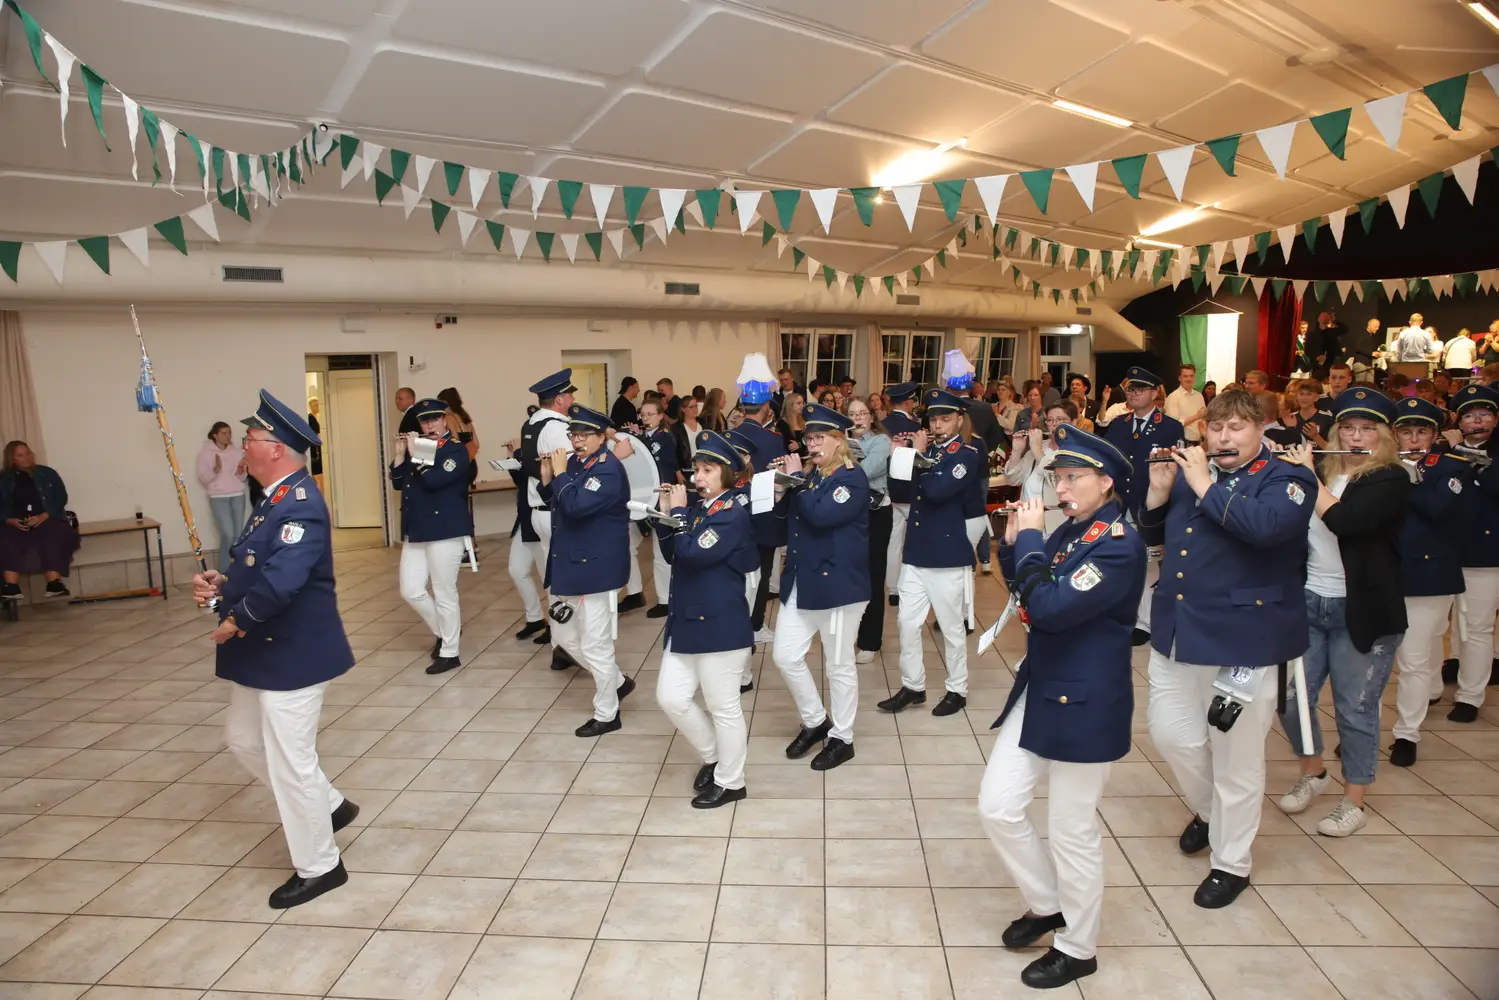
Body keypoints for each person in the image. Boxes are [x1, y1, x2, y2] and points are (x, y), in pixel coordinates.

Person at [1137, 388, 1318, 908]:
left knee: (1237, 758)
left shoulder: (1288, 478)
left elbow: (1265, 529)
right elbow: (1154, 541)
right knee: (1172, 735)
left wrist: (1201, 484)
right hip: (1179, 629)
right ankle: (1210, 812)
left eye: (1236, 427)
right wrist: (1158, 494)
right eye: (1215, 428)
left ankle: (1231, 862)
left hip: (1246, 639)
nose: (1223, 437)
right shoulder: (1192, 474)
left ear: (1261, 430)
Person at [981, 427, 1144, 990]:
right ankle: (1048, 902)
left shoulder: (1118, 545)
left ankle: (1079, 948)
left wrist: (1031, 538)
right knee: (998, 806)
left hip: (1086, 700)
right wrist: (1013, 542)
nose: (1062, 488)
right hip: (1044, 686)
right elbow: (1026, 593)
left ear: (1107, 482)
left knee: (1072, 829)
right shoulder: (1075, 531)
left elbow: (1049, 607)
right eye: (1059, 477)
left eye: (1074, 477)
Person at [191, 389, 358, 909]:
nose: (243, 446)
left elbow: (282, 583)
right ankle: (329, 805)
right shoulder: (273, 499)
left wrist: (234, 619)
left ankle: (321, 865)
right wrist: (221, 586)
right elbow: (255, 567)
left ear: (276, 449)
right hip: (264, 647)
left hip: (293, 652)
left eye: (250, 439)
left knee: (291, 763)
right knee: (243, 739)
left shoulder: (300, 505)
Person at [1276, 392, 1409, 836]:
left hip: (1363, 610)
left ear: (1384, 437)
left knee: (1355, 709)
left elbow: (1347, 522)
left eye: (1367, 429)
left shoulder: (1391, 478)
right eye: (1348, 428)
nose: (1355, 437)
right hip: (1310, 602)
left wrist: (1307, 477)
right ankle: (1314, 772)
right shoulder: (1325, 473)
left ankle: (1354, 801)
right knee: (1291, 699)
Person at [656, 430, 759, 808]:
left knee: (723, 707)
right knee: (670, 697)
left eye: (707, 471)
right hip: (687, 620)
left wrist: (678, 515)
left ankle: (732, 782)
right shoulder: (701, 509)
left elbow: (694, 554)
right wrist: (665, 513)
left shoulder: (731, 514)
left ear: (727, 474)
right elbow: (673, 553)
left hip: (720, 624)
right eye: (696, 470)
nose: (698, 477)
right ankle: (714, 756)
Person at [772, 402, 870, 771]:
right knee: (785, 655)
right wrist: (781, 490)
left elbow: (821, 515)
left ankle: (843, 738)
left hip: (838, 586)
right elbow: (784, 523)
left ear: (838, 440)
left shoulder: (851, 478)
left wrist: (796, 482)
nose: (811, 445)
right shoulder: (813, 477)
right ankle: (816, 720)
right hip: (803, 579)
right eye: (808, 439)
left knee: (839, 665)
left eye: (819, 439)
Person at [881, 388, 987, 718]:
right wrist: (898, 456)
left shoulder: (966, 454)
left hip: (946, 553)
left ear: (959, 420)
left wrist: (916, 458)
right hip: (916, 552)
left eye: (945, 419)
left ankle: (957, 689)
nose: (938, 425)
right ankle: (913, 685)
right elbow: (898, 490)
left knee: (952, 628)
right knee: (906, 624)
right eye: (933, 419)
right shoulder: (925, 452)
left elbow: (937, 490)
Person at [539, 403, 637, 735]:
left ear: (601, 438)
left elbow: (576, 506)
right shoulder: (577, 463)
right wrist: (548, 477)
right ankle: (618, 682)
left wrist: (560, 475)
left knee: (596, 645)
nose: (576, 441)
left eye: (584, 435)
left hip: (597, 568)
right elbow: (558, 500)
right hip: (572, 563)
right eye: (573, 435)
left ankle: (608, 714)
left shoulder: (608, 469)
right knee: (565, 637)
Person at [1388, 397, 1466, 766]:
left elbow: (1436, 508)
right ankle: (1363, 731)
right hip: (1384, 573)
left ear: (1435, 435)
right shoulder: (1381, 467)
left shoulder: (1451, 467)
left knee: (1415, 659)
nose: (1415, 439)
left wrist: (1407, 475)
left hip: (1428, 576)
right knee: (1374, 661)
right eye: (1407, 432)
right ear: (1395, 435)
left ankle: (1407, 734)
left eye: (1423, 432)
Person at [391, 397, 474, 675]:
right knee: (410, 590)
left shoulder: (455, 449)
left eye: (434, 420)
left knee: (444, 592)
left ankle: (450, 652)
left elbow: (433, 480)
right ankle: (445, 630)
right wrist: (400, 454)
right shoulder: (421, 447)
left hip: (445, 529)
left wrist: (416, 452)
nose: (429, 425)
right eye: (424, 422)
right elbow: (399, 483)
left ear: (443, 420)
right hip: (417, 529)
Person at [1102, 367, 1184, 645]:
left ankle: (1144, 622)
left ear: (1154, 393)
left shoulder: (1170, 426)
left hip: (1149, 504)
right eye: (1130, 389)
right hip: (1118, 502)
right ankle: (1120, 614)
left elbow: (1175, 469)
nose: (1133, 394)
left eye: (1139, 389)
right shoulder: (1119, 424)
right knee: (1118, 560)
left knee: (1149, 563)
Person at [1447, 384, 1499, 722]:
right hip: (1442, 552)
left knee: (1477, 626)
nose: (1477, 422)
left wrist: (1463, 454)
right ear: (1458, 420)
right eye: (1469, 416)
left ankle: (1470, 696)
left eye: (1484, 414)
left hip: (1484, 552)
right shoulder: (1442, 450)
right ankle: (1440, 678)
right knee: (1444, 625)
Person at [732, 354, 789, 645]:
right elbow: (780, 478)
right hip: (764, 515)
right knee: (763, 573)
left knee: (737, 573)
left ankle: (737, 621)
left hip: (735, 515)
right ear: (767, 408)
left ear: (743, 407)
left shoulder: (728, 437)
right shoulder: (773, 439)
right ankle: (755, 626)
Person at [516, 370, 575, 651]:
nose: (573, 400)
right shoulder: (557, 428)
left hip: (537, 509)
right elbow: (570, 468)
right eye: (570, 395)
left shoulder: (531, 424)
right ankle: (563, 644)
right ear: (560, 399)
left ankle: (557, 639)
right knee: (565, 579)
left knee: (552, 576)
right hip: (556, 509)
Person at [0, 441, 78, 599]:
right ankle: (11, 586)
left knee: (52, 534)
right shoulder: (3, 479)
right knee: (7, 537)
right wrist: (10, 520)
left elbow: (61, 498)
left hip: (48, 518)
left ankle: (54, 583)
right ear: (12, 459)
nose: (26, 457)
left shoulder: (47, 473)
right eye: (20, 455)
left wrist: (44, 515)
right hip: (17, 522)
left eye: (28, 453)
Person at [847, 397, 892, 662]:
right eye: (852, 414)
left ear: (871, 417)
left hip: (875, 513)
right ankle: (850, 634)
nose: (857, 418)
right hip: (849, 512)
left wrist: (842, 466)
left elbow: (865, 471)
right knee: (851, 576)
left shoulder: (881, 441)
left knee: (873, 577)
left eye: (862, 413)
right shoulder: (841, 441)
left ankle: (870, 641)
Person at [1003, 400, 1076, 538]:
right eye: (1050, 420)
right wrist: (1017, 451)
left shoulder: (1076, 452)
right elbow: (1012, 480)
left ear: (1074, 422)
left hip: (1056, 530)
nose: (1054, 424)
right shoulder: (1039, 446)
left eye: (1060, 420)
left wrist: (1038, 452)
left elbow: (1056, 482)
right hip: (1026, 526)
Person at [638, 398, 679, 618]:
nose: (645, 418)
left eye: (650, 414)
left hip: (662, 498)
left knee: (662, 550)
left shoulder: (664, 439)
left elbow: (661, 468)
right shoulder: (643, 438)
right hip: (644, 498)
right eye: (643, 414)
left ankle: (666, 599)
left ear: (660, 416)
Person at [882, 383, 920, 607]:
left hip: (889, 490)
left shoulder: (883, 425)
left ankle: (894, 589)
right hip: (911, 490)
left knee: (893, 542)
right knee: (913, 542)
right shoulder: (914, 426)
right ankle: (910, 587)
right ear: (907, 402)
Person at [197, 421, 249, 574]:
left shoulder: (236, 452)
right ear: (215, 435)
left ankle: (237, 569)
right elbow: (203, 478)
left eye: (229, 433)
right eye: (224, 433)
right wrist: (216, 470)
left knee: (238, 535)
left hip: (237, 495)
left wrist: (241, 471)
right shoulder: (206, 453)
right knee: (227, 533)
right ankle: (225, 570)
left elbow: (242, 478)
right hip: (218, 497)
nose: (227, 436)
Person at [438, 387, 480, 486]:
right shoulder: (465, 417)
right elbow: (477, 444)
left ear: (445, 402)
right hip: (472, 465)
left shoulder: (449, 418)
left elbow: (455, 443)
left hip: (459, 466)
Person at [1283, 379, 1332, 446]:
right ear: (1297, 396)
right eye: (1301, 394)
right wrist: (1291, 429)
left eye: (1309, 394)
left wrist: (1315, 436)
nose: (1304, 398)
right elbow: (1284, 445)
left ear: (1316, 397)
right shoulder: (1290, 418)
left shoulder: (1327, 419)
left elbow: (1333, 449)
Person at [1163, 365, 1206, 443]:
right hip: (1182, 443)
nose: (1189, 379)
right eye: (1185, 376)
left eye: (1191, 376)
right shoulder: (1173, 397)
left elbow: (1203, 418)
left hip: (1199, 442)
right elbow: (1173, 425)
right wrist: (1197, 416)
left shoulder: (1199, 395)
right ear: (1179, 378)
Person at [306, 397, 323, 481]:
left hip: (316, 449)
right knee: (317, 474)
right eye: (315, 405)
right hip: (314, 451)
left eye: (318, 405)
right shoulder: (310, 418)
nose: (317, 407)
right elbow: (315, 433)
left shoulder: (316, 417)